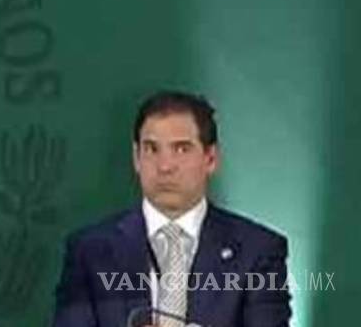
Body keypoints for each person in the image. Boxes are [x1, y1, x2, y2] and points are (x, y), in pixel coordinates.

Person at [52, 91, 292, 327]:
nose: (165, 166)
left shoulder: (258, 251)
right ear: (136, 158)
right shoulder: (90, 251)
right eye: (152, 149)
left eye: (181, 149)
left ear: (210, 158)